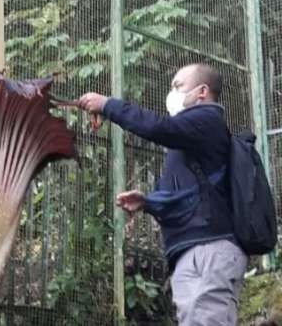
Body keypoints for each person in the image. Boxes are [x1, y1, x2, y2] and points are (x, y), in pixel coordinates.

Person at [77, 64, 248, 326]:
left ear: (202, 92)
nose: (172, 93)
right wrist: (148, 202)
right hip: (188, 249)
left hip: (211, 247)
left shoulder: (207, 121)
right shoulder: (188, 138)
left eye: (178, 86)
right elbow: (187, 196)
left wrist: (108, 105)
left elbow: (159, 128)